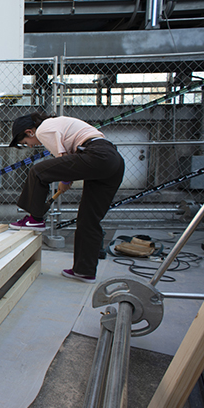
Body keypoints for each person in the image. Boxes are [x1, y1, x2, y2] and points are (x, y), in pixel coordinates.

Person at [8, 112, 125, 284]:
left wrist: (65, 180)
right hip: (113, 161)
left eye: (26, 142)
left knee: (38, 172)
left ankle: (35, 219)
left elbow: (63, 158)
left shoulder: (43, 129)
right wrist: (66, 179)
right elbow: (69, 163)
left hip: (97, 155)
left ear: (29, 132)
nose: (31, 146)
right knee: (89, 219)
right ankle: (84, 271)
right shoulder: (57, 123)